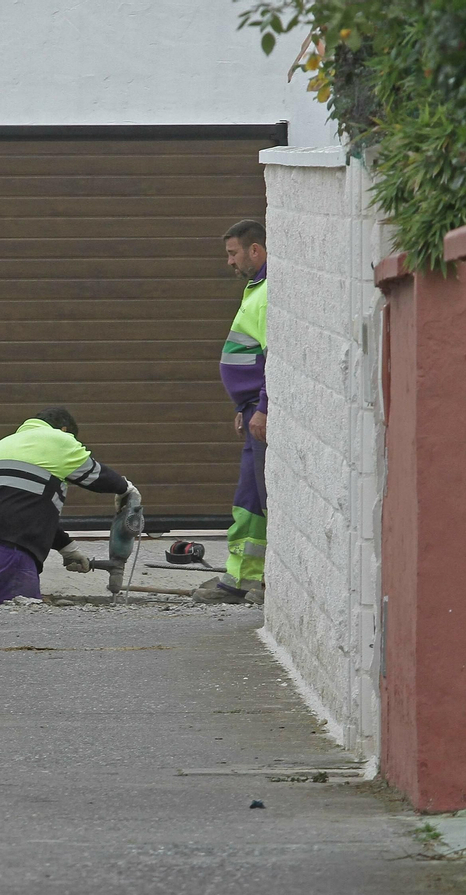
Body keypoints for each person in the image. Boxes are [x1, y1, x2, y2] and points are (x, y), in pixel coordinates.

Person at [0, 407, 138, 604]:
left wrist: (67, 548)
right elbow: (96, 475)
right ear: (63, 430)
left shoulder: (0, 446)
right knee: (16, 625)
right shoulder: (57, 439)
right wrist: (126, 489)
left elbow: (21, 509)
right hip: (10, 552)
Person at [194, 219, 269, 606]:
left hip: (261, 413)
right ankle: (241, 578)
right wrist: (247, 405)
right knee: (249, 497)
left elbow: (276, 356)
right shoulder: (256, 288)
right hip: (252, 409)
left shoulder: (269, 291)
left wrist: (264, 407)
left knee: (261, 496)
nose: (229, 262)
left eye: (233, 253)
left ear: (255, 250)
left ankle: (250, 582)